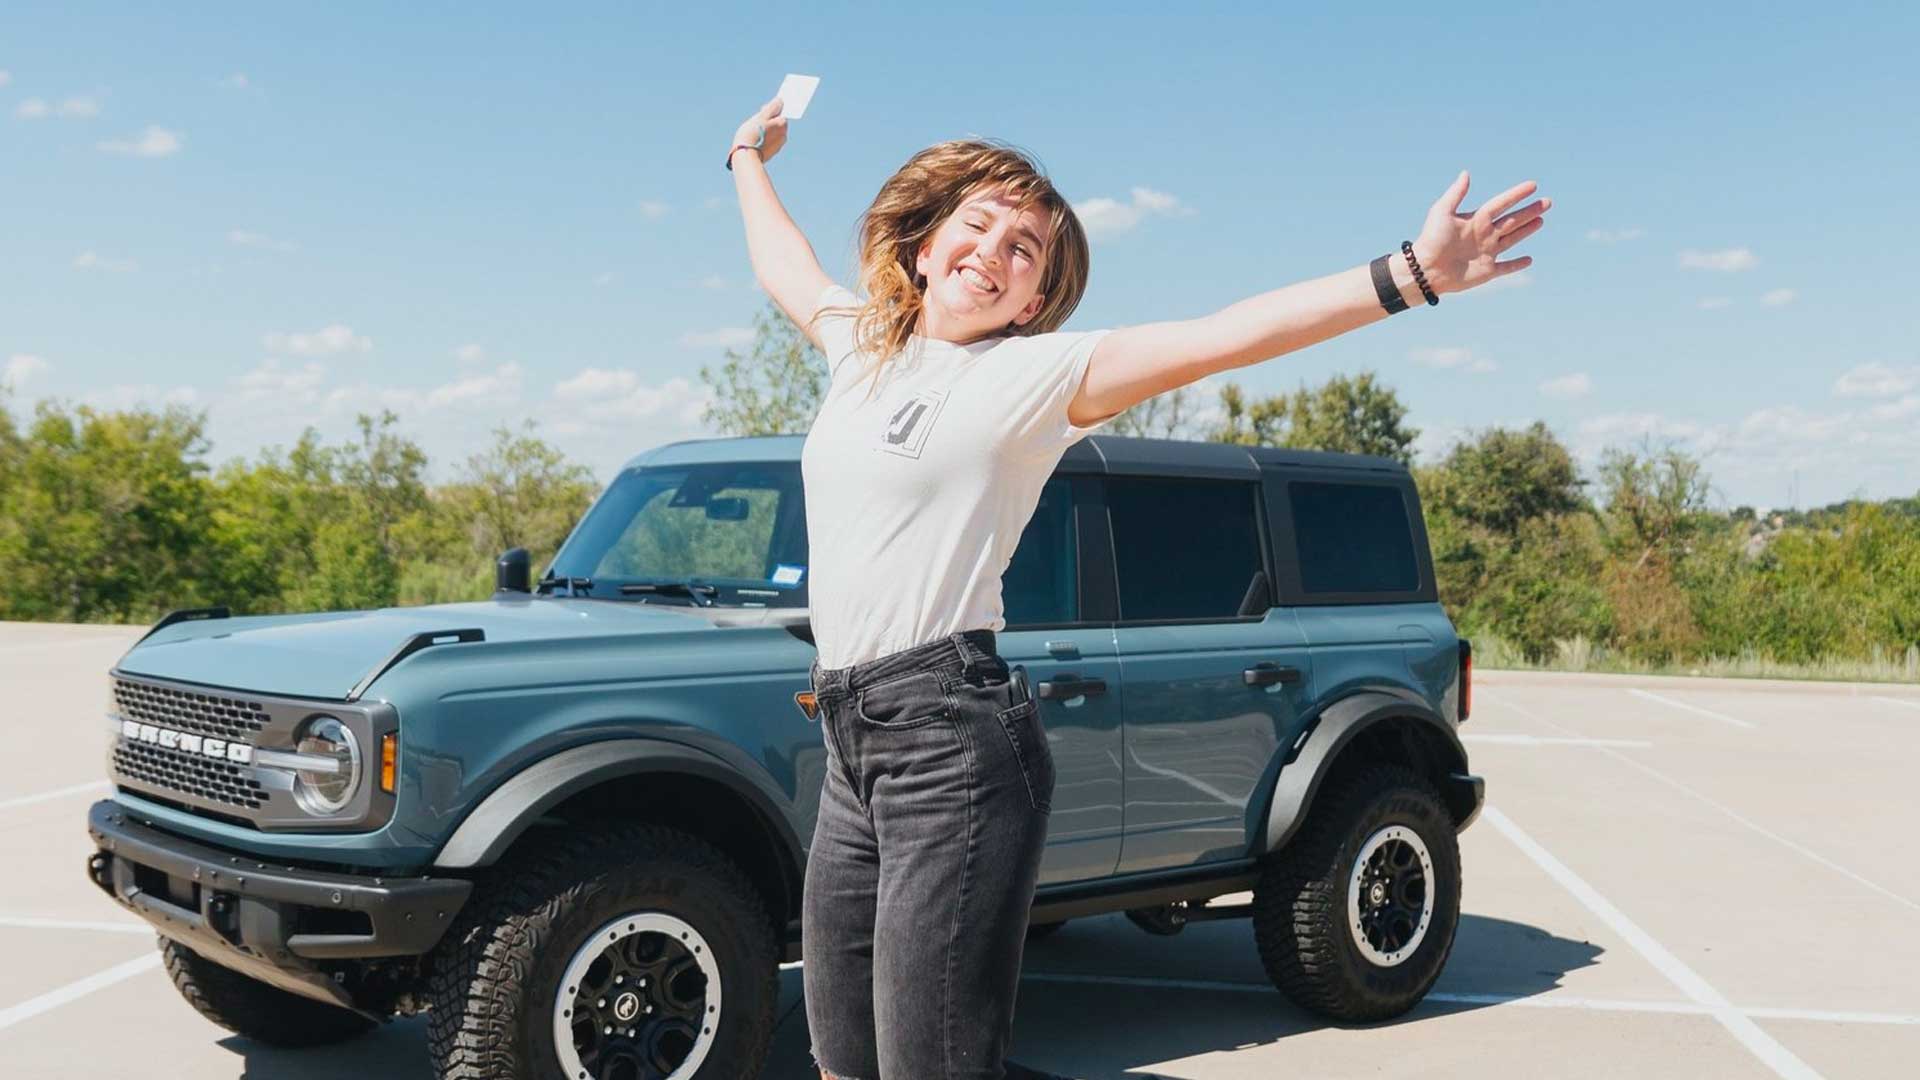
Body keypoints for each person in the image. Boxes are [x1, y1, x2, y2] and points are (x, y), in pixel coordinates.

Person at [726, 95, 1548, 1080]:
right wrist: (746, 153)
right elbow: (783, 259)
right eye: (978, 225)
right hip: (852, 740)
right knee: (839, 1052)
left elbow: (1229, 334)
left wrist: (1410, 275)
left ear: (1033, 299)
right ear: (926, 244)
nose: (995, 250)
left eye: (1025, 248)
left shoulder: (1036, 375)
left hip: (952, 739)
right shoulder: (862, 346)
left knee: (928, 1063)